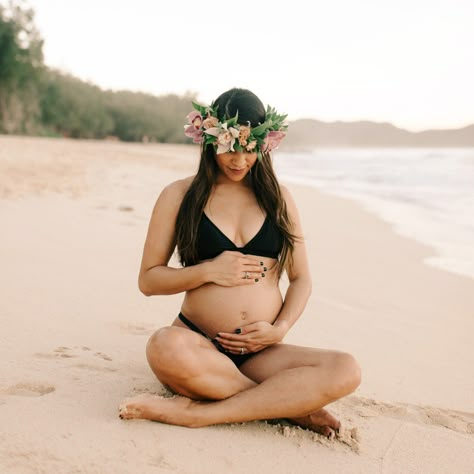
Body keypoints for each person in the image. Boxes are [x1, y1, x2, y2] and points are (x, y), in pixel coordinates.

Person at [118, 88, 361, 438]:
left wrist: (280, 330)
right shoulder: (179, 195)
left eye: (249, 149)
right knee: (162, 345)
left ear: (264, 145)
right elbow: (149, 280)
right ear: (209, 140)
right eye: (229, 147)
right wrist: (208, 271)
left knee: (346, 369)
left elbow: (302, 279)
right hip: (197, 342)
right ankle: (288, 406)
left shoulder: (278, 198)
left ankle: (197, 414)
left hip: (261, 352)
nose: (239, 159)